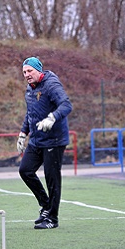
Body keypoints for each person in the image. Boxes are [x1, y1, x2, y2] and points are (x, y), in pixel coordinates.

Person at [17, 57, 72, 230]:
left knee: (52, 178)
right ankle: (46, 206)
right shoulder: (29, 88)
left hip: (54, 140)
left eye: (30, 71)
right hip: (36, 139)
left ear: (38, 70)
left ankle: (52, 219)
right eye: (24, 72)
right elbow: (30, 113)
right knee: (25, 170)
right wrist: (23, 132)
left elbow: (66, 104)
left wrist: (52, 117)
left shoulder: (51, 84)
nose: (27, 75)